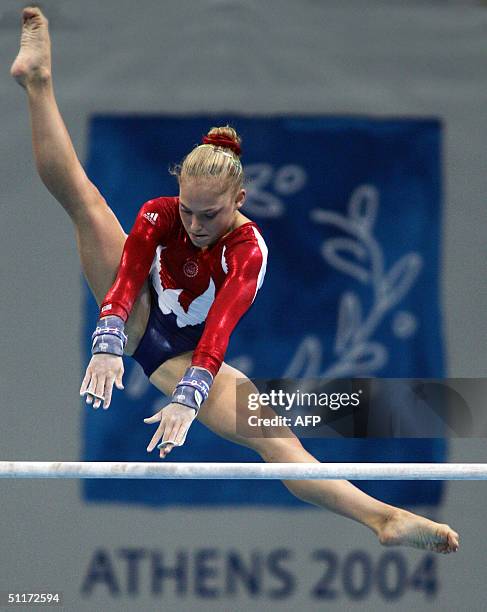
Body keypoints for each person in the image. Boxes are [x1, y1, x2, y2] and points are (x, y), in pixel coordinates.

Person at [11, 6, 459, 554]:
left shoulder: (249, 252)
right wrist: (108, 343)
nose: (196, 226)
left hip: (188, 358)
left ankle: (383, 519)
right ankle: (37, 82)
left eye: (210, 215)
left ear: (239, 201)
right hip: (140, 315)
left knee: (281, 445)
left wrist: (188, 398)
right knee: (84, 200)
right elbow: (127, 279)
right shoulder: (159, 214)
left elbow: (218, 332)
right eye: (188, 211)